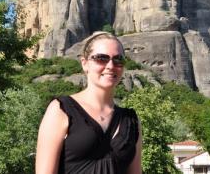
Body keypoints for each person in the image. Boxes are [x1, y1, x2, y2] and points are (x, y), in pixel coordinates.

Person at [35, 32, 142, 174]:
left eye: (118, 59)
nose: (110, 65)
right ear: (84, 63)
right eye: (101, 58)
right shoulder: (61, 109)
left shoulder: (131, 120)